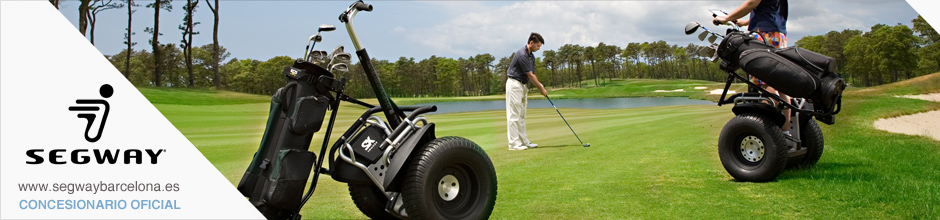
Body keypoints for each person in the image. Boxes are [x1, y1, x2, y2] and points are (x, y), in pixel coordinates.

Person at [714, 0, 796, 139]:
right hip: (778, 35)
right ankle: (785, 132)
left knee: (765, 83)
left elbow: (751, 3)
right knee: (780, 83)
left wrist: (727, 18)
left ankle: (766, 131)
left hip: (764, 34)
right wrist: (745, 22)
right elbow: (766, 9)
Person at [506, 32, 548, 151]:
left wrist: (540, 85)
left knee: (522, 115)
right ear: (531, 43)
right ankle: (513, 144)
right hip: (514, 84)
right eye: (538, 46)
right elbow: (530, 75)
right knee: (514, 115)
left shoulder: (531, 56)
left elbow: (532, 74)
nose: (539, 48)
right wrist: (541, 88)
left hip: (523, 86)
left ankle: (523, 141)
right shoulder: (521, 54)